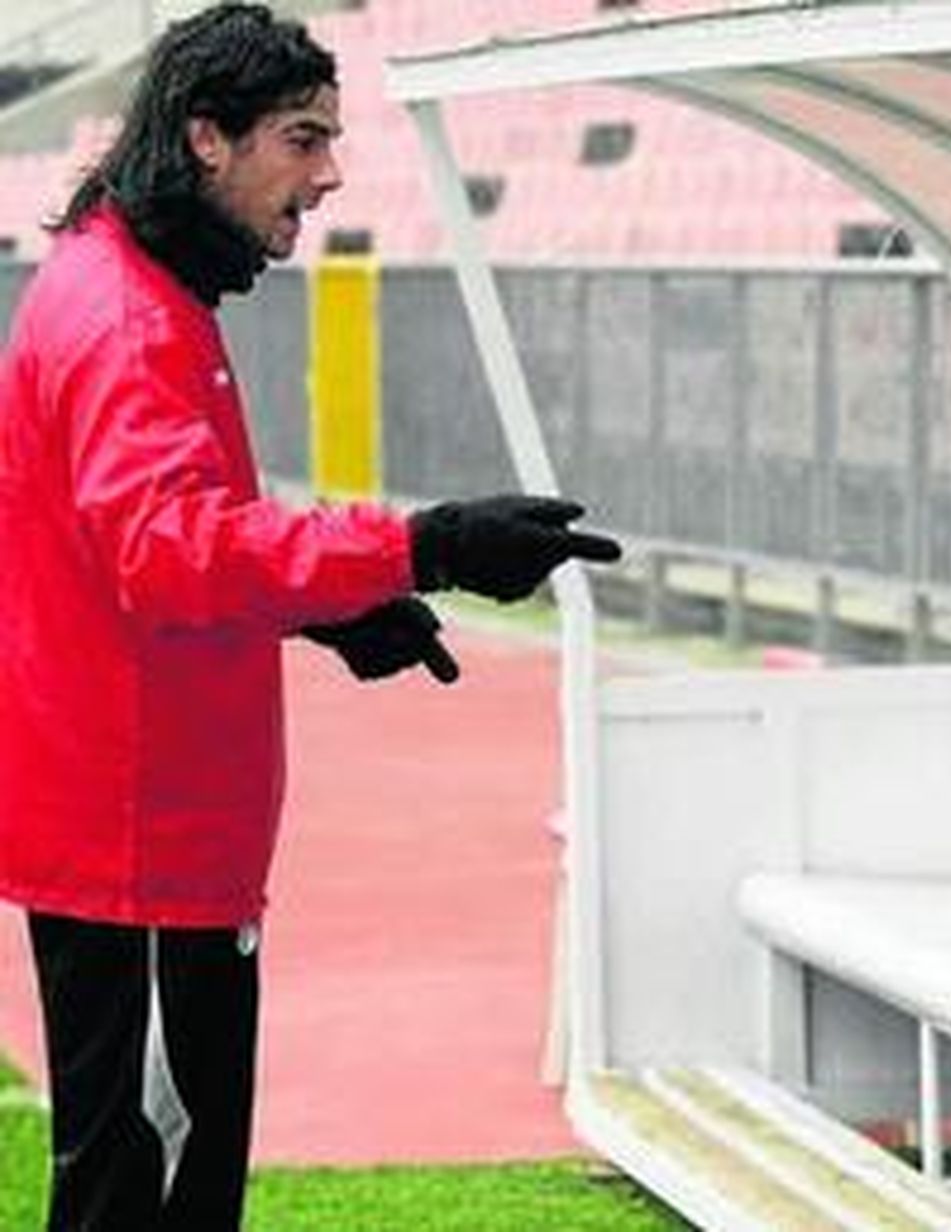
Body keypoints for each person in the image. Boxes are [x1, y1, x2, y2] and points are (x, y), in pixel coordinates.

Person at [0, 5, 620, 1229]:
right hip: (145, 844)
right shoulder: (128, 317)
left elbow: (149, 542)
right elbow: (170, 552)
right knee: (151, 1195)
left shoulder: (135, 286)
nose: (328, 172)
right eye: (303, 138)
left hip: (147, 827)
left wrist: (334, 609)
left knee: (148, 1175)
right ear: (207, 140)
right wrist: (421, 545)